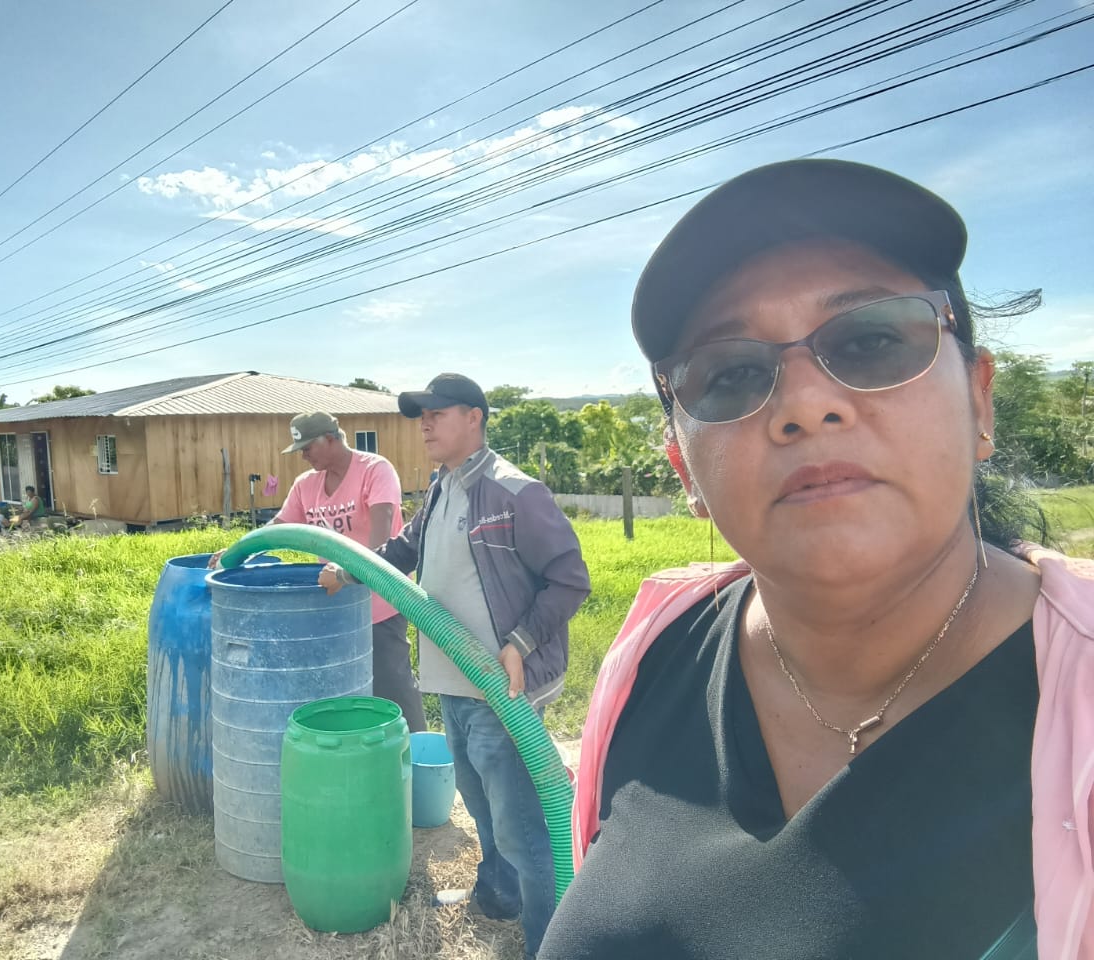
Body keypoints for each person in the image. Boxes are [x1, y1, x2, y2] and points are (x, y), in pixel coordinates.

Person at [539, 159, 1094, 960]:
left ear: (979, 400)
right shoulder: (654, 647)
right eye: (732, 374)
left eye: (871, 341)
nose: (804, 404)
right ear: (685, 470)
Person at [321, 374, 591, 960]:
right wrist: (348, 569)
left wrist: (519, 642)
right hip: (453, 683)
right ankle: (500, 896)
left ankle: (549, 942)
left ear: (474, 417)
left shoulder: (514, 492)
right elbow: (403, 550)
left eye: (437, 413)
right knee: (480, 801)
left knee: (523, 827)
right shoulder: (443, 487)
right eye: (420, 416)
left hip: (500, 690)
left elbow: (570, 579)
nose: (424, 425)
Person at [272, 410, 427, 733]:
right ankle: (363, 749)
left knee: (392, 683)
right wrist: (241, 548)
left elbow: (382, 538)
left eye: (307, 448)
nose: (303, 456)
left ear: (330, 439)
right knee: (343, 687)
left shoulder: (374, 470)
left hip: (380, 601)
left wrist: (349, 573)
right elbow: (280, 526)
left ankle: (416, 749)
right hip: (335, 604)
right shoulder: (306, 485)